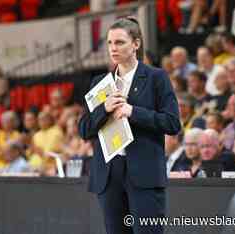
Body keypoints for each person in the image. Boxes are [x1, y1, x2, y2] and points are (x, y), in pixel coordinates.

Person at [78, 17, 181, 234]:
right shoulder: (100, 83)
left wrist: (134, 112)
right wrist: (103, 109)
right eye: (109, 43)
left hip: (143, 172)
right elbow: (84, 129)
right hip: (109, 173)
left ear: (136, 44)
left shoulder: (156, 77)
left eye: (120, 42)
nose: (113, 48)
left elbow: (172, 123)